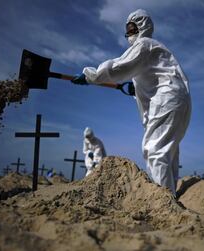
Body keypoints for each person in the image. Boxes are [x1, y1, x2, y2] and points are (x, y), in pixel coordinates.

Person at [72, 9, 191, 195]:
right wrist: (134, 90)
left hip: (167, 100)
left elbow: (119, 67)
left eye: (132, 27)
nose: (129, 33)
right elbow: (155, 77)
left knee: (155, 150)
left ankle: (164, 200)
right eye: (127, 28)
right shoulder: (156, 50)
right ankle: (171, 195)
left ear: (142, 26)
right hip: (179, 100)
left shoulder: (144, 45)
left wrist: (91, 76)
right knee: (169, 151)